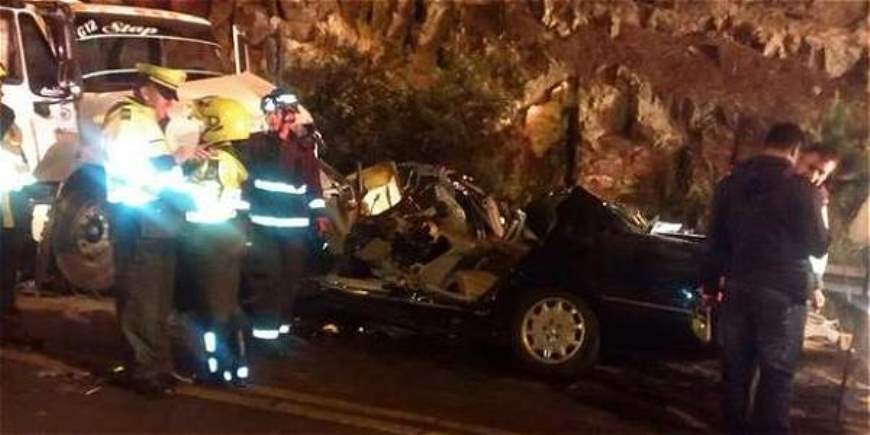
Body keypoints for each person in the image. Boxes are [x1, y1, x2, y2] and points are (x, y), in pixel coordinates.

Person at [702, 123, 830, 434]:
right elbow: (818, 244)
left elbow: (715, 242)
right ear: (795, 151)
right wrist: (820, 205)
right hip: (783, 295)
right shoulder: (803, 190)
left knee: (735, 374)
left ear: (766, 144)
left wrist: (708, 287)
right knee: (776, 377)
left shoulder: (729, 185)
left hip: (737, 288)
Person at [102, 63, 206, 397]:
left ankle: (158, 366)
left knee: (156, 300)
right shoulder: (127, 119)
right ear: (146, 88)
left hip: (157, 219)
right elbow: (134, 169)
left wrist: (184, 163)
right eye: (165, 96)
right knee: (141, 300)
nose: (168, 104)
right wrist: (175, 159)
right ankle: (144, 371)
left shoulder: (148, 120)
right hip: (138, 218)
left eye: (171, 97)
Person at [242, 88, 327, 348]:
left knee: (289, 282)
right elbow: (247, 182)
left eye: (286, 113)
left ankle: (281, 333)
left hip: (293, 229)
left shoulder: (303, 149)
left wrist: (320, 215)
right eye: (280, 113)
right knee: (267, 282)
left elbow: (313, 186)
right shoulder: (256, 145)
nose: (282, 118)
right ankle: (264, 337)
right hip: (263, 227)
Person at [178, 96, 250, 386]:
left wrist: (179, 164)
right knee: (226, 306)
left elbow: (183, 195)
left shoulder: (212, 162)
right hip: (226, 238)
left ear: (215, 125)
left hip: (208, 241)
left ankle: (217, 371)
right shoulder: (232, 159)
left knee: (210, 312)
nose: (196, 124)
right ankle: (233, 370)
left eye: (200, 120)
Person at [0, 61, 36, 346]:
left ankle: (8, 323)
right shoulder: (4, 116)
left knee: (7, 269)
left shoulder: (8, 124)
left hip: (10, 205)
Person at [794, 144, 840, 311]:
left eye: (821, 173)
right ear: (798, 158)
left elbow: (818, 252)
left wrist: (816, 285)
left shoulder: (818, 198)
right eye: (811, 167)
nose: (813, 176)